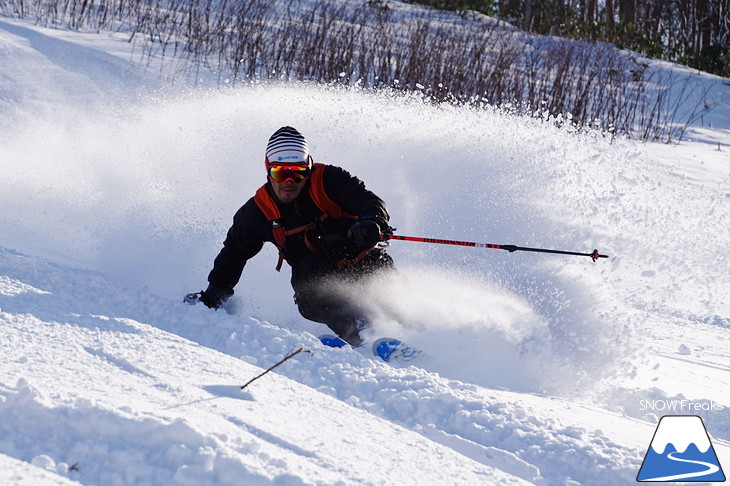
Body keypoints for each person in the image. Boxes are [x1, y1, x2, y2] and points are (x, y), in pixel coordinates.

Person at [197, 126, 394, 346]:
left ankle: (412, 333)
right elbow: (235, 252)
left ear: (308, 167)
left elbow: (370, 202)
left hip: (363, 263)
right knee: (309, 282)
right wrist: (215, 294)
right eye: (281, 173)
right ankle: (358, 336)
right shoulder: (259, 211)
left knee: (390, 290)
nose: (289, 182)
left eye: (298, 172)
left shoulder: (329, 180)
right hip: (316, 280)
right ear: (268, 169)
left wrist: (372, 222)